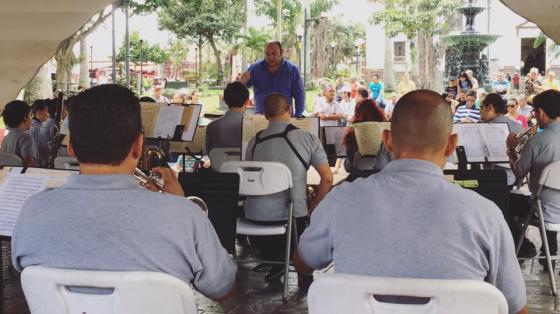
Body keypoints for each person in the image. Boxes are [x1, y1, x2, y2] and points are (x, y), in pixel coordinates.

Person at [294, 90, 528, 314]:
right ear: (451, 145)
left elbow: (303, 262)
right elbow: (516, 307)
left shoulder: (340, 201)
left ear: (387, 140)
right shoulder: (486, 215)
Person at [11, 84, 237, 301]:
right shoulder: (184, 215)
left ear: (71, 148)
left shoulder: (32, 210)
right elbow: (223, 288)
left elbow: (22, 271)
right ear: (138, 146)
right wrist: (179, 204)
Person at [245, 93, 333, 282]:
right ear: (290, 110)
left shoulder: (254, 142)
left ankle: (277, 259)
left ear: (265, 116)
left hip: (254, 220)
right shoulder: (307, 139)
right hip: (292, 222)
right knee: (305, 217)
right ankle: (303, 272)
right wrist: (314, 205)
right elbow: (327, 178)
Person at [507, 89, 560, 267]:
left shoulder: (537, 141)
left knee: (503, 200)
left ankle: (523, 248)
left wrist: (511, 151)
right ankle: (549, 254)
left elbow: (519, 174)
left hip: (543, 207)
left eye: (534, 112)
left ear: (541, 113)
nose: (534, 117)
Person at [240, 41, 305, 117]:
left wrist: (298, 116)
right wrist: (242, 82)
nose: (270, 57)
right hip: (261, 117)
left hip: (284, 118)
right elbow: (244, 88)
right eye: (267, 54)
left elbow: (299, 96)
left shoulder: (292, 70)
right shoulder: (255, 68)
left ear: (281, 53)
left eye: (274, 54)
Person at [342, 98, 386, 174]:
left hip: (358, 173)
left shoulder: (352, 132)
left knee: (346, 162)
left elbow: (350, 157)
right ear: (376, 111)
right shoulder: (385, 130)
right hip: (382, 171)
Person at [205, 81, 248, 155]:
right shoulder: (255, 125)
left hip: (219, 166)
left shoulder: (212, 127)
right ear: (247, 101)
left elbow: (209, 153)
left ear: (224, 100)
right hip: (246, 166)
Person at [0, 100, 37, 166]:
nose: (31, 118)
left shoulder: (6, 138)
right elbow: (29, 163)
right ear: (25, 118)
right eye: (30, 115)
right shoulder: (26, 137)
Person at [29, 99, 51, 167]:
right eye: (46, 111)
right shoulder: (38, 129)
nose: (48, 114)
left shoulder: (32, 125)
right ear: (39, 112)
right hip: (39, 163)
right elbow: (43, 149)